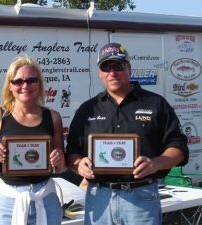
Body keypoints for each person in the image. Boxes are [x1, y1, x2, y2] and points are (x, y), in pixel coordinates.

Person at [65, 42, 189, 225]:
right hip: (99, 197)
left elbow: (178, 148)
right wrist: (78, 165)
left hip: (141, 197)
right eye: (106, 67)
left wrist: (155, 164)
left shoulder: (156, 104)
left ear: (129, 68)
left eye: (118, 66)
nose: (112, 73)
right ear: (100, 73)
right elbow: (73, 151)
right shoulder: (87, 109)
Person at [0, 55, 65, 225]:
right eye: (18, 81)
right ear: (10, 86)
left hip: (45, 198)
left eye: (31, 80)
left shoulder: (53, 117)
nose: (25, 86)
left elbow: (60, 167)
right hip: (6, 201)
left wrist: (58, 158)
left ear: (39, 84)